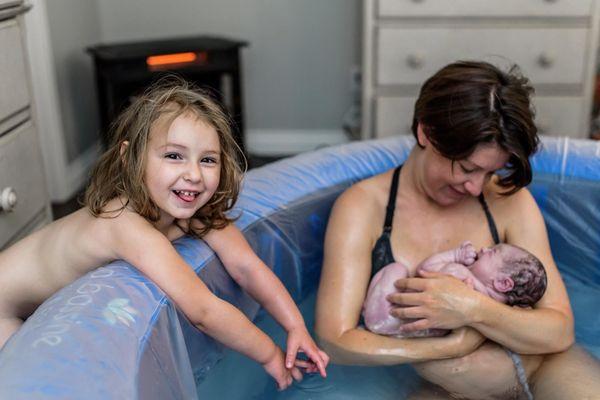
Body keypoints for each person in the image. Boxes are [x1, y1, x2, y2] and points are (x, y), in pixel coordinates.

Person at [0, 78, 328, 390]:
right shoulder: (124, 225)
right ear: (130, 158)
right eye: (174, 156)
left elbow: (247, 267)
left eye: (208, 160)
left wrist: (295, 325)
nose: (194, 174)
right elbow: (203, 311)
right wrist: (269, 353)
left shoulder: (187, 210)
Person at [315, 60, 600, 399]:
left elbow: (558, 330)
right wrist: (447, 348)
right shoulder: (364, 207)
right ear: (426, 132)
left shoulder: (509, 201)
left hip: (540, 366)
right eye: (468, 168)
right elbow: (336, 338)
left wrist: (472, 309)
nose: (477, 188)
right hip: (440, 385)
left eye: (491, 171)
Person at [363, 241, 547, 337]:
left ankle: (368, 311)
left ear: (503, 283)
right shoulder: (492, 315)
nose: (484, 249)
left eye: (493, 252)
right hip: (416, 332)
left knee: (397, 268)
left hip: (388, 316)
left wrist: (455, 255)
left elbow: (425, 270)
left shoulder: (461, 275)